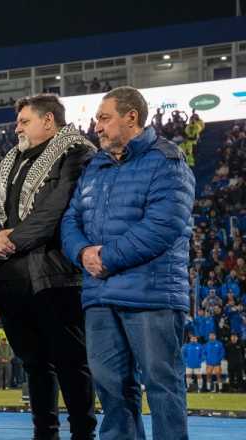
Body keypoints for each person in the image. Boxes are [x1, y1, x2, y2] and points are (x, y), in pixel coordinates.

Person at [61, 86, 195, 439]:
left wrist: (103, 257)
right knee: (110, 387)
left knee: (162, 385)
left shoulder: (168, 160)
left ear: (131, 117)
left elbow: (163, 225)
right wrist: (81, 253)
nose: (97, 128)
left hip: (150, 294)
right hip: (100, 295)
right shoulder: (95, 167)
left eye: (104, 118)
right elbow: (70, 221)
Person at [0, 94, 97, 439]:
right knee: (34, 364)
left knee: (72, 362)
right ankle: (45, 432)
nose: (17, 129)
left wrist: (13, 240)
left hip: (55, 275)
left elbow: (56, 208)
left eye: (24, 122)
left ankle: (83, 433)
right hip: (11, 280)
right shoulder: (10, 161)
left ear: (48, 121)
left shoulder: (76, 153)